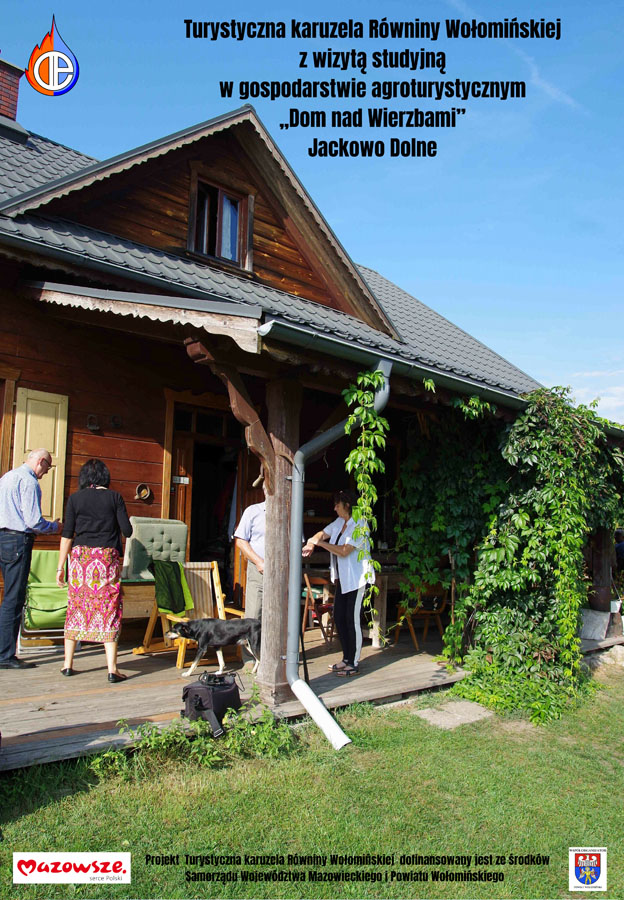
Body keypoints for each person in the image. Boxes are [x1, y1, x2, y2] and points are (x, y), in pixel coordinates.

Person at [56, 459, 132, 683]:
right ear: (105, 477)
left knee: (76, 606)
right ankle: (112, 669)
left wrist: (60, 567)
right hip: (105, 561)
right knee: (109, 608)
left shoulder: (75, 499)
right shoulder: (115, 497)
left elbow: (67, 535)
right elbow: (127, 531)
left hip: (81, 561)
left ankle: (67, 664)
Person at [302, 489, 374, 677]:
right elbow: (322, 533)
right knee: (340, 618)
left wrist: (321, 544)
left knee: (351, 620)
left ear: (347, 505)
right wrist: (312, 542)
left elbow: (344, 551)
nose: (334, 508)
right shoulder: (339, 522)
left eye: (337, 505)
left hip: (357, 579)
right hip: (343, 579)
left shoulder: (360, 524)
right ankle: (346, 658)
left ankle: (354, 662)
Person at [0, 448, 61, 669]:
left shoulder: (7, 477)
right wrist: (55, 527)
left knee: (9, 596)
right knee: (14, 599)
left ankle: (4, 652)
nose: (46, 473)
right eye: (48, 467)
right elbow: (34, 522)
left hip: (3, 538)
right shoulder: (29, 482)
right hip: (18, 540)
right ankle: (5, 656)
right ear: (41, 461)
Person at [233, 488, 266, 622]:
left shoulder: (290, 512)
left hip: (283, 571)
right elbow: (240, 541)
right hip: (258, 569)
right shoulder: (253, 511)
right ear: (266, 491)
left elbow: (298, 542)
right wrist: (258, 562)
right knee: (254, 615)